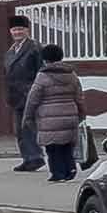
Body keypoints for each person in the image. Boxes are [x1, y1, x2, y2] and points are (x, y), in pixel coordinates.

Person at [23, 43, 88, 182]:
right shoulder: (71, 74)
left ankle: (57, 173)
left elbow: (33, 98)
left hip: (49, 117)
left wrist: (28, 116)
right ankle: (70, 169)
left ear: (45, 59)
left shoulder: (42, 76)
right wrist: (81, 113)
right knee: (67, 145)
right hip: (70, 114)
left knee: (52, 147)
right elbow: (79, 96)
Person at [0, 13, 45, 171]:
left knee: (28, 127)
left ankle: (35, 157)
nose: (17, 32)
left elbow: (41, 71)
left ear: (27, 30)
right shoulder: (11, 50)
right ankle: (27, 158)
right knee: (19, 129)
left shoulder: (35, 48)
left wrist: (36, 91)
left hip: (29, 93)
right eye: (14, 30)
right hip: (15, 95)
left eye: (20, 29)